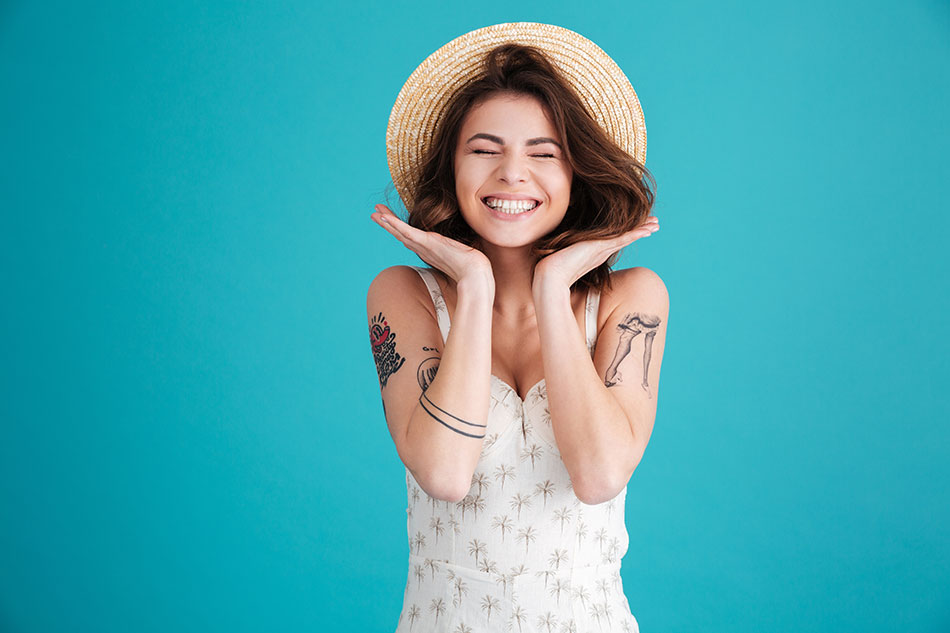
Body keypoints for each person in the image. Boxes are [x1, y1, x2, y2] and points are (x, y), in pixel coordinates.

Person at [367, 22, 668, 633]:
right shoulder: (402, 295)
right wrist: (474, 287)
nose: (512, 173)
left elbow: (600, 476)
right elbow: (444, 474)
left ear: (576, 171)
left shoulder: (631, 298)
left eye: (543, 153)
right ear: (450, 167)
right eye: (484, 150)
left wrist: (552, 289)